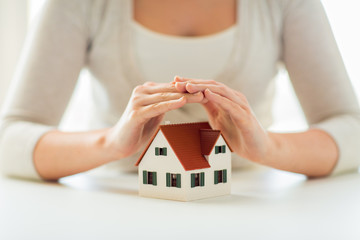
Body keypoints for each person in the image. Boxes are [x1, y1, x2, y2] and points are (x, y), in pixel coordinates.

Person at [0, 0, 359, 181]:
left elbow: (351, 128)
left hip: (252, 203)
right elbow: (10, 137)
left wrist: (269, 146)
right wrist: (110, 144)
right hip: (113, 204)